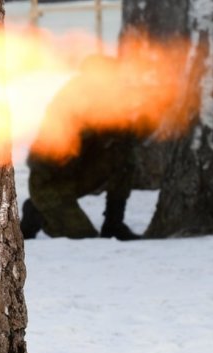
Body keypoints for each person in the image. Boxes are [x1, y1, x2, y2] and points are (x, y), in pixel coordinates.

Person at [20, 55, 147, 241]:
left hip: (79, 172)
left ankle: (114, 223)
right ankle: (35, 211)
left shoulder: (111, 100)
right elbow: (74, 138)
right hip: (50, 179)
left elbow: (129, 135)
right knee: (82, 236)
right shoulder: (73, 97)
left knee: (124, 155)